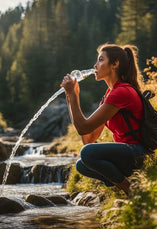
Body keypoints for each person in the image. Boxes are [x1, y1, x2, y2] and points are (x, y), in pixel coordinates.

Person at [61, 44, 148, 195]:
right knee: (82, 165)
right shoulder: (110, 95)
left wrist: (74, 97)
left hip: (138, 151)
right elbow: (88, 138)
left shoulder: (122, 92)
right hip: (126, 153)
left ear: (115, 64)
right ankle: (126, 186)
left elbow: (83, 128)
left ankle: (131, 189)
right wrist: (71, 98)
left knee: (87, 153)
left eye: (101, 60)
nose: (95, 65)